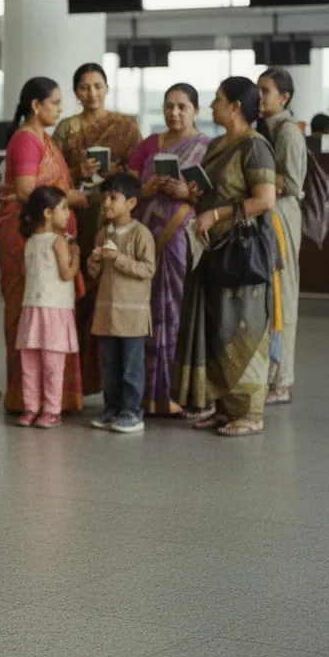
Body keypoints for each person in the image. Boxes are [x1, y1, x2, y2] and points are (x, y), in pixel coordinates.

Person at [171, 77, 277, 437]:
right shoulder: (218, 143)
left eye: (217, 100)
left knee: (242, 326)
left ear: (235, 107)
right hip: (214, 249)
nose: (212, 106)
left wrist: (215, 214)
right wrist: (196, 193)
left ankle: (250, 413)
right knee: (218, 328)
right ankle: (223, 408)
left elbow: (264, 200)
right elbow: (217, 190)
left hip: (242, 250)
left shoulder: (255, 146)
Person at [0, 77, 88, 414]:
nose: (60, 108)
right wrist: (71, 198)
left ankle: (51, 400)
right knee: (28, 320)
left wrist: (76, 173)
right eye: (55, 102)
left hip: (49, 242)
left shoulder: (43, 140)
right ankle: (28, 400)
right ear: (36, 105)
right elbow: (25, 191)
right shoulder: (26, 140)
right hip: (25, 241)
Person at [53, 63, 142, 396]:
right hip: (77, 218)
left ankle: (114, 384)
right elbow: (54, 177)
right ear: (76, 91)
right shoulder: (66, 129)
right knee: (79, 296)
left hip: (115, 220)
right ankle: (77, 382)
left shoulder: (126, 127)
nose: (91, 93)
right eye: (84, 87)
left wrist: (117, 173)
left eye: (97, 86)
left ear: (107, 88)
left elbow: (139, 174)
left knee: (112, 295)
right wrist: (79, 169)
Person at [126, 84, 211, 415]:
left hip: (179, 237)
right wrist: (144, 188)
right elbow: (127, 187)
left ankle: (177, 392)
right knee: (144, 312)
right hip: (144, 239)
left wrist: (186, 194)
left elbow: (214, 196)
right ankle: (147, 393)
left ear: (195, 111)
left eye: (182, 107)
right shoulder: (149, 144)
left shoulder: (206, 147)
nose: (174, 113)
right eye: (168, 106)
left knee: (176, 310)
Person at [86, 173, 156, 434]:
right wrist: (93, 262)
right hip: (106, 313)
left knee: (131, 366)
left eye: (113, 198)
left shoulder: (141, 234)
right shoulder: (103, 233)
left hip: (132, 316)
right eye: (104, 198)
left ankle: (132, 411)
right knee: (110, 365)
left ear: (131, 203)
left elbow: (148, 270)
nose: (106, 203)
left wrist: (118, 259)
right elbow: (95, 274)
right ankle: (112, 408)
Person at [258, 68, 308, 405]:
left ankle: (282, 380)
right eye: (258, 91)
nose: (260, 97)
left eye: (266, 91)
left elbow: (292, 183)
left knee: (283, 295)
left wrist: (260, 177)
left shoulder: (288, 133)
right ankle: (268, 373)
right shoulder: (265, 128)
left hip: (282, 217)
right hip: (266, 214)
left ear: (284, 97)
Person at [14, 186, 81, 428]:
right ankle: (51, 410)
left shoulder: (31, 241)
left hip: (32, 308)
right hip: (54, 310)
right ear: (48, 213)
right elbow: (66, 274)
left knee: (30, 364)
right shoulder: (58, 241)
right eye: (64, 208)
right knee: (53, 365)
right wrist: (76, 257)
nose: (68, 214)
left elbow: (24, 272)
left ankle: (31, 408)